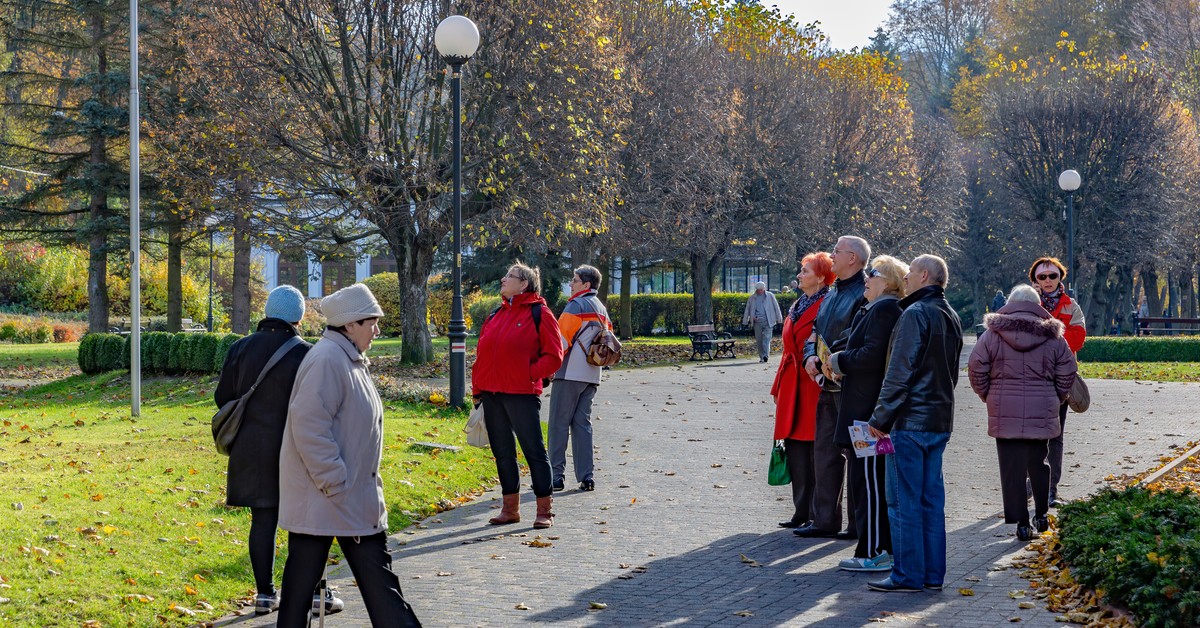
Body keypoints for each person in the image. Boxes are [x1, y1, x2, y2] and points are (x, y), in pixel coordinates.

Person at [276, 283, 421, 626]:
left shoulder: (346, 357)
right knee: (306, 594)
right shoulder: (328, 359)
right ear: (351, 324)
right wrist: (336, 482)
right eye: (372, 322)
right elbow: (309, 425)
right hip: (334, 497)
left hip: (344, 498)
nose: (377, 330)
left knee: (372, 586)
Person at [215, 286, 345, 616]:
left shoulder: (240, 348)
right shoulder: (307, 354)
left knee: (263, 520)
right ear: (299, 317)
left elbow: (222, 398)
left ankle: (264, 595)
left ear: (268, 312)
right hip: (295, 449)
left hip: (250, 449)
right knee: (306, 523)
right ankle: (317, 593)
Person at [865, 254, 963, 593]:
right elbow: (951, 374)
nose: (904, 280)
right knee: (931, 501)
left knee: (902, 500)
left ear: (924, 276)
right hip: (938, 419)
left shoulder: (915, 314)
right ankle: (932, 575)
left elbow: (899, 372)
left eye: (909, 275)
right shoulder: (950, 315)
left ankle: (907, 575)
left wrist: (880, 417)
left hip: (909, 422)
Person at [969, 285, 1076, 541]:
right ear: (1037, 304)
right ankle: (1041, 514)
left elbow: (975, 367)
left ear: (1010, 303)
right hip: (1043, 409)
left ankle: (1021, 524)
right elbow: (1067, 371)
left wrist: (988, 395)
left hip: (1004, 410)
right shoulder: (1054, 335)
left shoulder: (993, 334)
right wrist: (1056, 396)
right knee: (1038, 462)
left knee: (1011, 467)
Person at [827, 255, 908, 572]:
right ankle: (872, 547)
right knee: (868, 481)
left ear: (887, 280)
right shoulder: (873, 307)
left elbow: (870, 356)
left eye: (872, 273)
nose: (866, 277)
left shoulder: (885, 308)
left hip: (869, 417)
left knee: (872, 483)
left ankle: (875, 551)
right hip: (867, 414)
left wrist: (838, 362)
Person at [472, 263, 565, 528]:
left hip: (521, 393)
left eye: (509, 276)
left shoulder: (540, 313)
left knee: (534, 450)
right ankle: (510, 508)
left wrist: (528, 374)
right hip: (492, 394)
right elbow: (482, 356)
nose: (503, 279)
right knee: (503, 452)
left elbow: (554, 356)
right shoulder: (495, 314)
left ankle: (544, 511)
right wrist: (477, 390)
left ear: (524, 283)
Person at [795, 236, 870, 540]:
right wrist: (810, 356)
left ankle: (858, 524)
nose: (832, 256)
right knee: (823, 452)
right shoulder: (834, 291)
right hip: (827, 384)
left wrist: (832, 361)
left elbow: (858, 333)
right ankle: (824, 519)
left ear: (852, 258)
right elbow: (816, 330)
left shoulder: (865, 293)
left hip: (852, 385)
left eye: (837, 252)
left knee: (857, 455)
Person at [770, 252, 834, 528]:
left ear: (821, 277)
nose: (799, 275)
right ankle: (800, 510)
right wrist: (778, 385)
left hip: (811, 385)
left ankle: (816, 512)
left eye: (805, 271)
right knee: (794, 447)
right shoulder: (798, 304)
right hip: (791, 383)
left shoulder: (827, 303)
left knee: (814, 449)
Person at [549, 265, 612, 493]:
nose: (571, 284)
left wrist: (548, 367)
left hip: (569, 373)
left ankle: (555, 475)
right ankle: (587, 476)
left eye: (574, 280)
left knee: (558, 423)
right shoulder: (601, 308)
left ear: (586, 285)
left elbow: (560, 341)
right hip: (592, 374)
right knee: (582, 425)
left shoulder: (575, 305)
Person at [1029, 256, 1085, 507]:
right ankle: (1029, 485)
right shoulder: (1026, 303)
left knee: (1056, 434)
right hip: (1030, 379)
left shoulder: (1070, 306)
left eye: (1053, 275)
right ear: (1034, 280)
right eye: (1042, 276)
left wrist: (1046, 337)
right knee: (1029, 435)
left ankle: (1051, 489)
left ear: (1060, 277)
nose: (1048, 280)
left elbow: (1077, 339)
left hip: (1060, 380)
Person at [742, 281, 783, 362]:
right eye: (759, 290)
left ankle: (765, 356)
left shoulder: (770, 296)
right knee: (759, 340)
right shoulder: (752, 298)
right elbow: (747, 309)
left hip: (768, 321)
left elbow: (776, 307)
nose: (760, 291)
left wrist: (779, 319)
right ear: (756, 290)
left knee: (767, 338)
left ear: (764, 289)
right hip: (757, 322)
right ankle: (761, 356)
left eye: (762, 289)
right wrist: (746, 320)